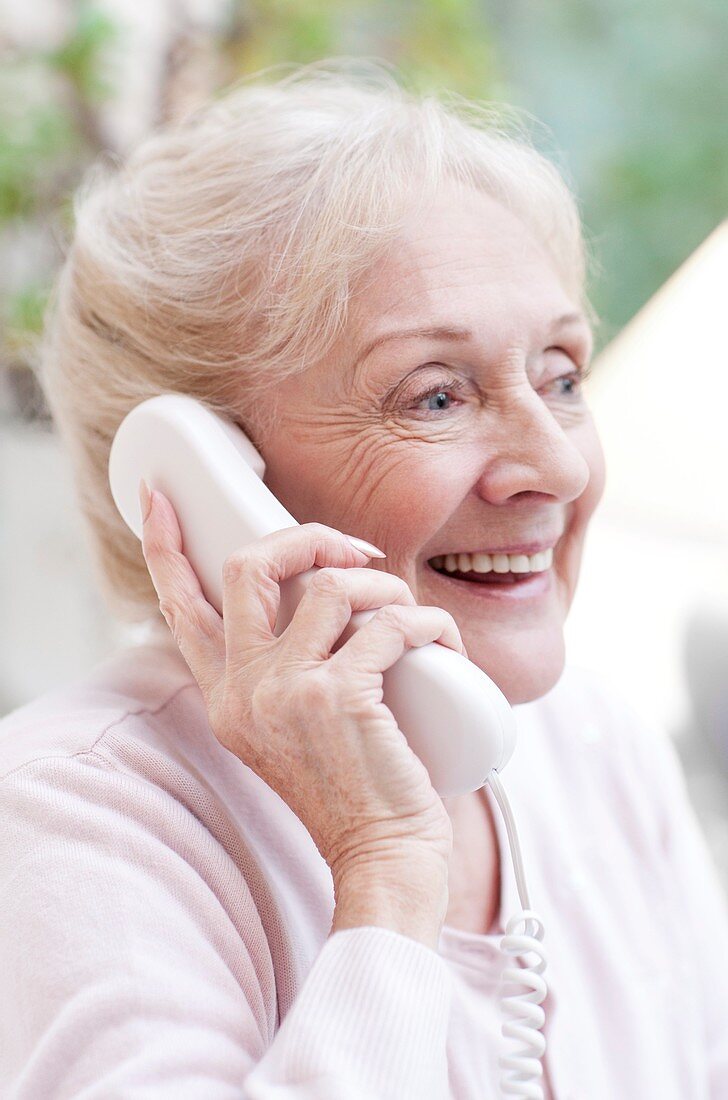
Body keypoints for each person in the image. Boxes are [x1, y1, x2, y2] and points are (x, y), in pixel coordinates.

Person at [1, 58, 727, 1099]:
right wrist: (383, 870)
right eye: (435, 396)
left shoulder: (596, 743)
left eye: (560, 375)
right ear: (199, 474)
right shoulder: (68, 817)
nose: (556, 466)